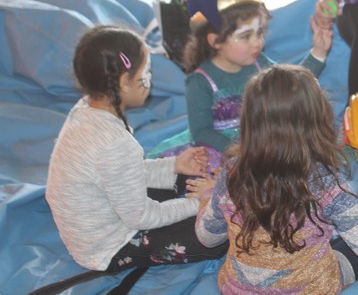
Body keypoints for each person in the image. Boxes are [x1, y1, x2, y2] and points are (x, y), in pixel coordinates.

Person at [195, 64, 358, 293]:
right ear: (317, 120)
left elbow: (207, 237)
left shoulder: (232, 173)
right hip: (310, 288)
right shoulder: (324, 181)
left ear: (249, 120)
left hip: (239, 289)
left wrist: (207, 197)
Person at [45, 26, 227, 283]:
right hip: (108, 247)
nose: (150, 79)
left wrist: (174, 166)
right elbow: (141, 217)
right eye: (146, 72)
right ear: (124, 82)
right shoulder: (114, 143)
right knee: (216, 235)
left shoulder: (85, 109)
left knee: (190, 180)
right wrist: (198, 204)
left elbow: (124, 171)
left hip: (104, 216)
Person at [158, 0, 332, 167]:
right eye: (245, 36)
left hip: (261, 144)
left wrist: (319, 52)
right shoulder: (200, 81)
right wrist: (243, 151)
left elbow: (290, 86)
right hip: (224, 153)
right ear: (215, 41)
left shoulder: (259, 63)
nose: (257, 43)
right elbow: (202, 132)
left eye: (260, 32)